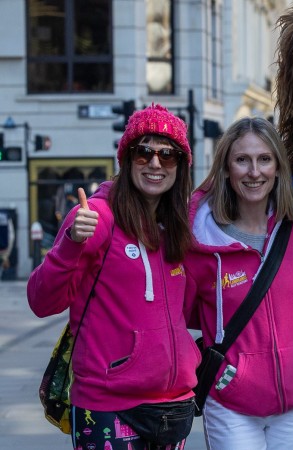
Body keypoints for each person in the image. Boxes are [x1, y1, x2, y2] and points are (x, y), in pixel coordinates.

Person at [27, 104, 199, 449]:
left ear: (180, 166)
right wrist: (71, 243)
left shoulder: (179, 226)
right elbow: (42, 301)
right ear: (126, 158)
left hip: (174, 403)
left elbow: (191, 306)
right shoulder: (96, 217)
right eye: (143, 152)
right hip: (108, 406)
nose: (154, 163)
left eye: (167, 155)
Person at [183, 117, 293, 450]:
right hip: (232, 401)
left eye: (264, 159)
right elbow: (183, 314)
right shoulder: (199, 241)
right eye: (242, 160)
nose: (254, 171)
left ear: (278, 167)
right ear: (226, 169)